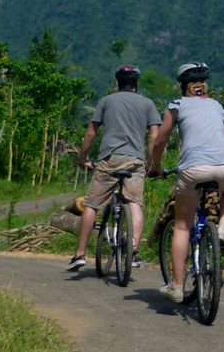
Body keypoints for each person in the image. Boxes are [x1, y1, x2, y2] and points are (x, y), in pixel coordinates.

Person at [147, 62, 224, 303]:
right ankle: (223, 226)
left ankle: (177, 286)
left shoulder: (176, 105)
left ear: (182, 86)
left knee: (181, 226)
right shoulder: (217, 106)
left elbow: (159, 141)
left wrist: (155, 166)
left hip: (193, 170)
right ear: (204, 86)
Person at [66, 65, 162, 271]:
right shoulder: (147, 103)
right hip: (135, 162)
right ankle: (133, 252)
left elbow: (91, 133)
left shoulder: (106, 101)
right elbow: (155, 136)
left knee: (91, 205)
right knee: (135, 203)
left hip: (109, 159)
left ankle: (79, 254)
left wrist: (83, 158)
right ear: (136, 84)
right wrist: (149, 161)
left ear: (118, 83)